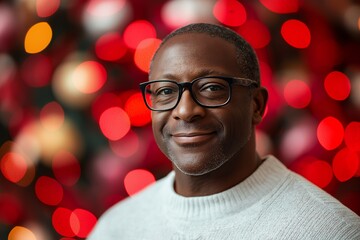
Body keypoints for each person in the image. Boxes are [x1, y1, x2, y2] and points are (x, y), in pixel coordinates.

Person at [88, 23, 360, 239]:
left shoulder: (331, 231)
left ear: (256, 105)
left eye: (211, 88)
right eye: (166, 91)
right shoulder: (117, 228)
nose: (184, 110)